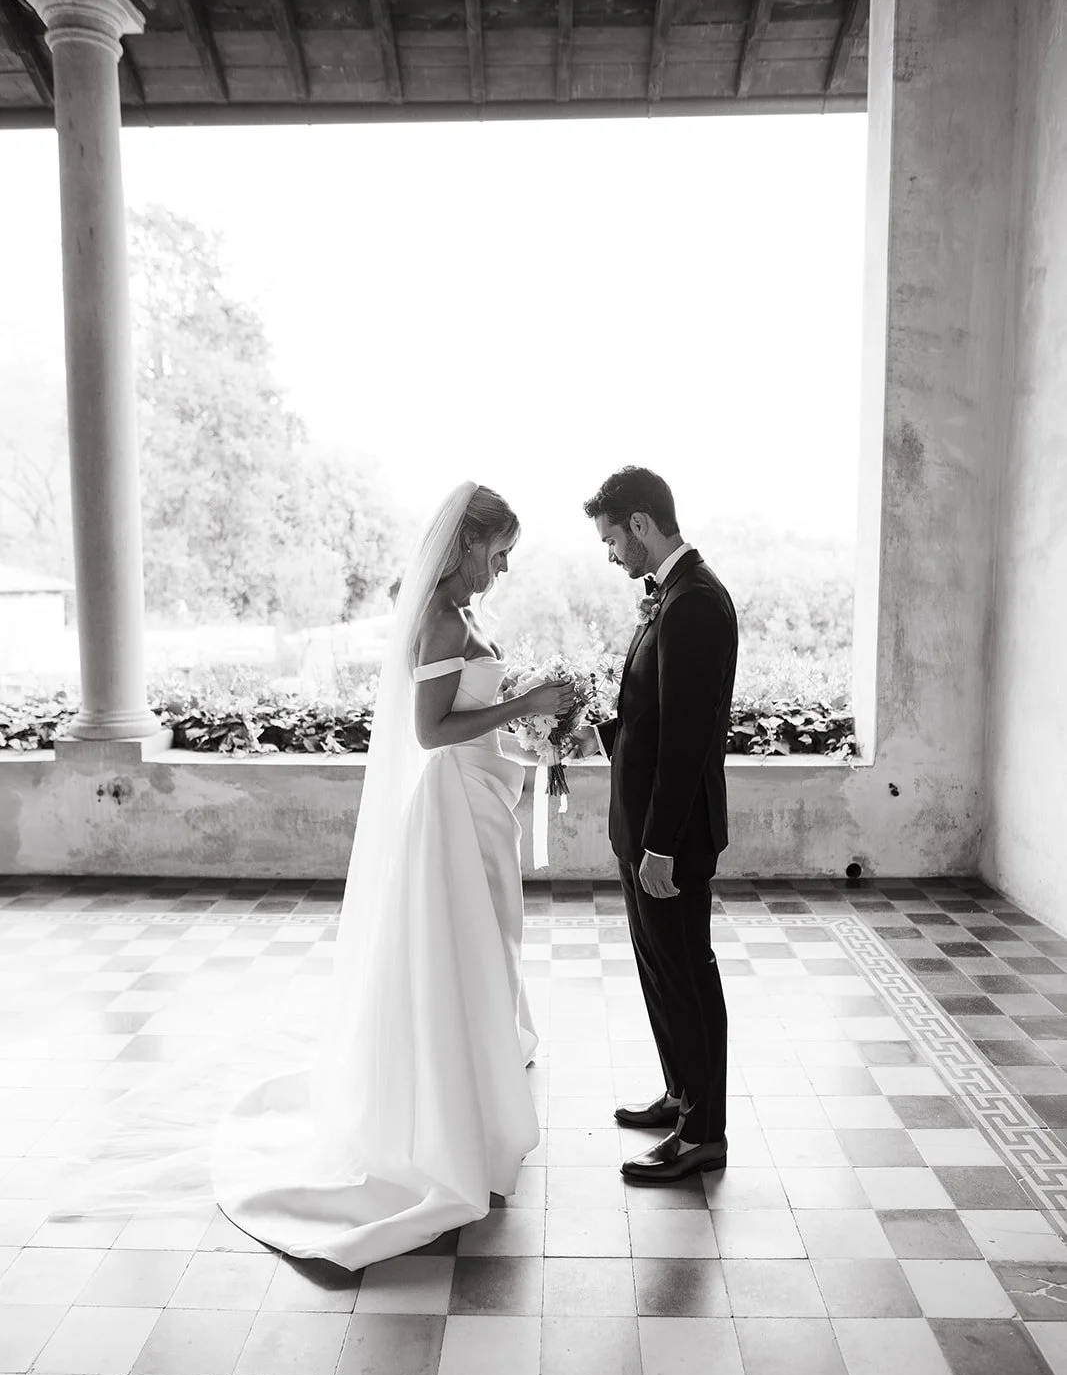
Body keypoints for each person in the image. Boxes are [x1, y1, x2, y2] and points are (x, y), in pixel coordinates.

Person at [58, 482, 573, 1269]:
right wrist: (523, 703)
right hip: (450, 806)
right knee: (460, 954)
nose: (501, 568)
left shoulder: (465, 617)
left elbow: (469, 701)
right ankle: (445, 1116)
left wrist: (535, 712)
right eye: (497, 552)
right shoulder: (438, 617)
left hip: (480, 799)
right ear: (465, 543)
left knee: (485, 950)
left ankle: (471, 1091)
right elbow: (429, 732)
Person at [571, 466, 738, 1184]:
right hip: (640, 826)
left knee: (686, 974)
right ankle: (680, 1094)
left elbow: (688, 738)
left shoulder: (693, 602)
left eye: (612, 539)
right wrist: (592, 728)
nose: (610, 554)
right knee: (659, 971)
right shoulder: (668, 595)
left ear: (640, 524)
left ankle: (703, 1132)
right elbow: (653, 717)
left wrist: (660, 845)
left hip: (667, 835)